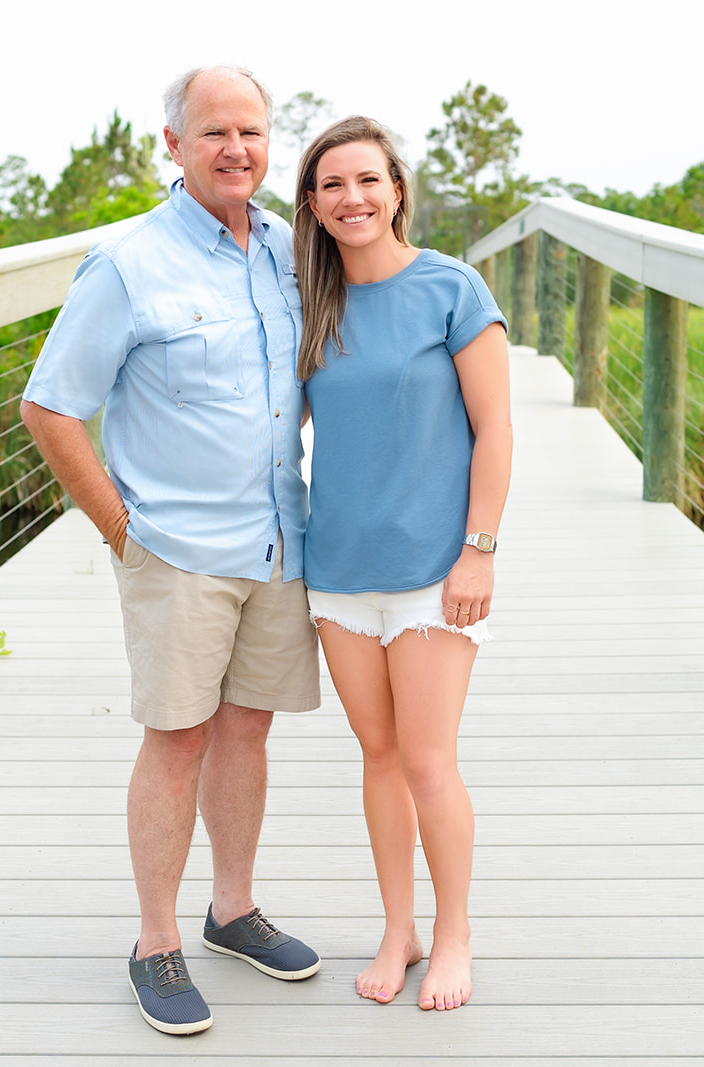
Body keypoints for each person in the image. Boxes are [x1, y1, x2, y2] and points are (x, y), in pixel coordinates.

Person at [19, 66, 321, 1036]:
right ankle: (154, 939)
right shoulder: (126, 263)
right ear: (172, 144)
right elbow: (48, 405)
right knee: (178, 735)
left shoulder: (287, 248)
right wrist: (120, 529)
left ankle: (231, 907)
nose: (236, 148)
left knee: (247, 727)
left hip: (278, 535)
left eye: (253, 131)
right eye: (214, 133)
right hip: (177, 547)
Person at [293, 117, 511, 1011]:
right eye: (332, 185)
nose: (353, 199)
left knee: (427, 758)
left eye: (368, 181)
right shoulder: (310, 302)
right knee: (377, 754)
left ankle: (454, 933)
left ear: (397, 191)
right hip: (338, 568)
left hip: (434, 568)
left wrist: (478, 551)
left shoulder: (451, 289)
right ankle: (399, 928)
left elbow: (496, 427)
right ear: (311, 204)